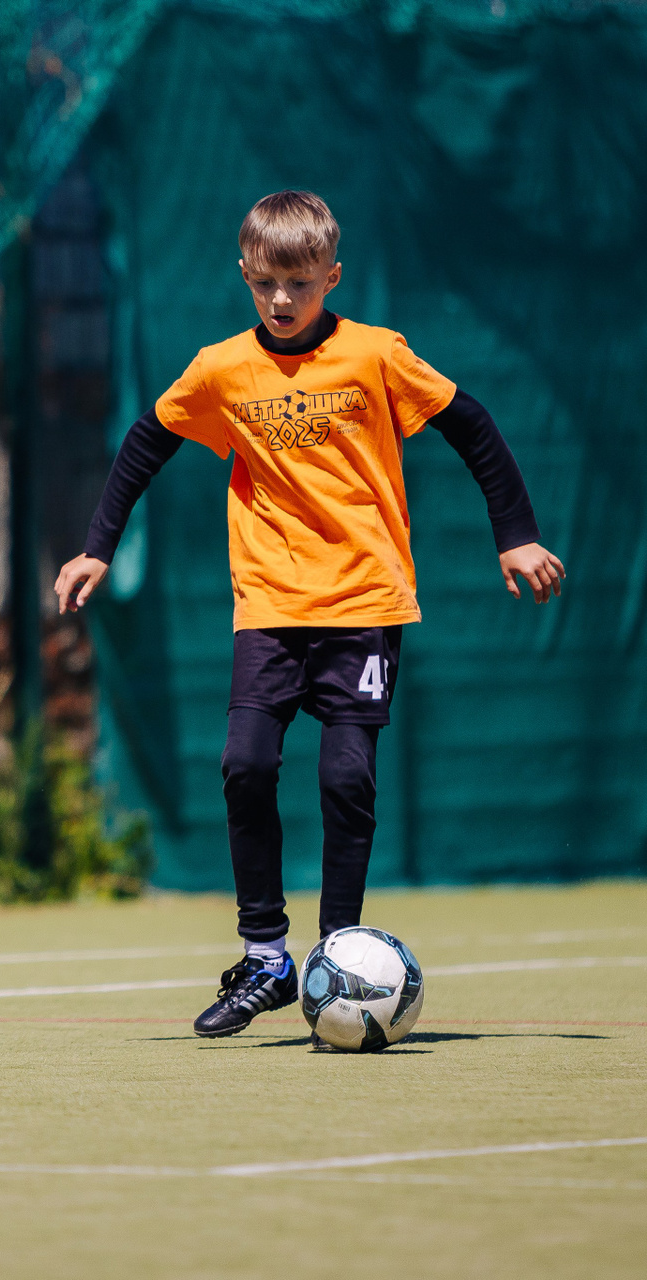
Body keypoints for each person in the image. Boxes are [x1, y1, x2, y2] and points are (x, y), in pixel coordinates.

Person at [53, 190, 564, 1042]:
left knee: (345, 778)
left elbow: (472, 427)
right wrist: (98, 547)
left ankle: (337, 953)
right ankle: (265, 957)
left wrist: (516, 535)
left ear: (332, 276)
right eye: (265, 284)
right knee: (245, 765)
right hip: (270, 603)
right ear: (245, 277)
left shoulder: (376, 354)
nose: (281, 299)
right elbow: (147, 441)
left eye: (298, 282)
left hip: (364, 601)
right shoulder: (222, 368)